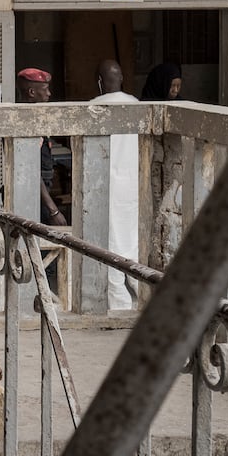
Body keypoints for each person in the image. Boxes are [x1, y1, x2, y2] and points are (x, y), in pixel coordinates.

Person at [90, 60, 139, 311]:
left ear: (100, 82)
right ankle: (140, 293)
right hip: (133, 186)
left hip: (104, 185)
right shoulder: (137, 106)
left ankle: (118, 303)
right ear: (121, 79)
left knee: (109, 242)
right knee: (132, 239)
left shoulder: (93, 108)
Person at [16, 68, 66, 228]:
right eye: (45, 89)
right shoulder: (25, 122)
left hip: (40, 190)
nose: (49, 94)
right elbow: (30, 170)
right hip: (33, 192)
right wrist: (52, 210)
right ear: (31, 92)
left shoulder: (35, 117)